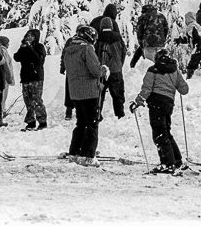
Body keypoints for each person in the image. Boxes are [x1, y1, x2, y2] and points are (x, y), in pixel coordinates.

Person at [129, 48, 189, 173]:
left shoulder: (153, 70)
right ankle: (177, 160)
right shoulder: (174, 70)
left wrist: (138, 101)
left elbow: (147, 89)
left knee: (159, 134)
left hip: (156, 104)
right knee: (166, 132)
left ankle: (168, 163)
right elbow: (184, 89)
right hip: (168, 104)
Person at [60, 25, 109, 166]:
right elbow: (95, 71)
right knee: (92, 123)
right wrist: (103, 69)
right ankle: (87, 155)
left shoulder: (69, 50)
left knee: (81, 123)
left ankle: (75, 152)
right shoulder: (87, 49)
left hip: (75, 92)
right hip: (89, 91)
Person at [13, 28, 48, 131]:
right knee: (28, 100)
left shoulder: (39, 47)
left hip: (36, 77)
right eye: (28, 35)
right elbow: (17, 57)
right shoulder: (24, 47)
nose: (29, 37)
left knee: (36, 100)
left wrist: (29, 48)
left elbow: (38, 59)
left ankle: (42, 121)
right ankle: (31, 122)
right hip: (25, 77)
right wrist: (23, 47)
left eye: (32, 36)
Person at [96, 16, 127, 119]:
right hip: (116, 71)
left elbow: (95, 54)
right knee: (118, 94)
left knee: (99, 94)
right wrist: (119, 65)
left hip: (102, 71)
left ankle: (97, 113)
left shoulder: (98, 37)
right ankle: (120, 114)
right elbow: (123, 52)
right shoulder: (118, 37)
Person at [175, 11, 201, 79]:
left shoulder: (191, 26)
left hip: (200, 46)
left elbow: (195, 36)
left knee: (193, 63)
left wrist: (197, 46)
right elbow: (191, 38)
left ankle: (189, 77)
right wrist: (181, 40)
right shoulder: (196, 25)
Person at [129, 3, 169, 68]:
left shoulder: (143, 17)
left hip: (148, 45)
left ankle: (133, 66)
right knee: (161, 66)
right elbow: (166, 29)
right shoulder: (161, 16)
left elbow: (139, 32)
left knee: (150, 66)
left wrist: (142, 45)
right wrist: (162, 40)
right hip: (160, 46)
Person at [0, 35, 16, 127]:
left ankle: (2, 110)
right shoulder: (3, 51)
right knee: (3, 95)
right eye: (8, 43)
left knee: (2, 96)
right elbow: (6, 65)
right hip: (4, 77)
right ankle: (2, 111)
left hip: (3, 77)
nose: (9, 44)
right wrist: (9, 77)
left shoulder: (1, 50)